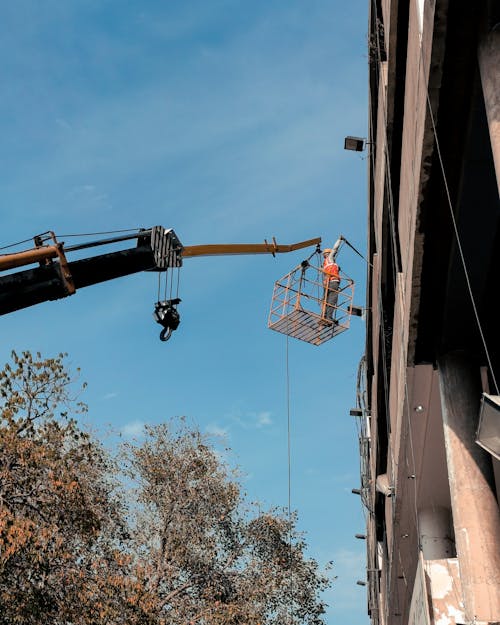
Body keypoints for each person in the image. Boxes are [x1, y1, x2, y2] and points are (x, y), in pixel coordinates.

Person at [322, 248, 340, 322]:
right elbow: (335, 249)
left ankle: (324, 316)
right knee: (332, 300)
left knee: (326, 300)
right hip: (333, 282)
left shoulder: (325, 264)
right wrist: (340, 240)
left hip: (327, 284)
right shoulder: (330, 258)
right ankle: (329, 317)